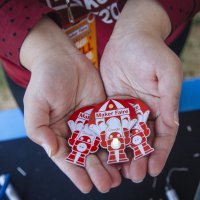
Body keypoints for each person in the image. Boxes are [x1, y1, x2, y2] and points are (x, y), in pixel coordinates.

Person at [0, 0, 199, 195]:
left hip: (150, 40)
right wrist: (43, 51)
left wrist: (145, 24)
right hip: (39, 66)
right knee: (53, 132)